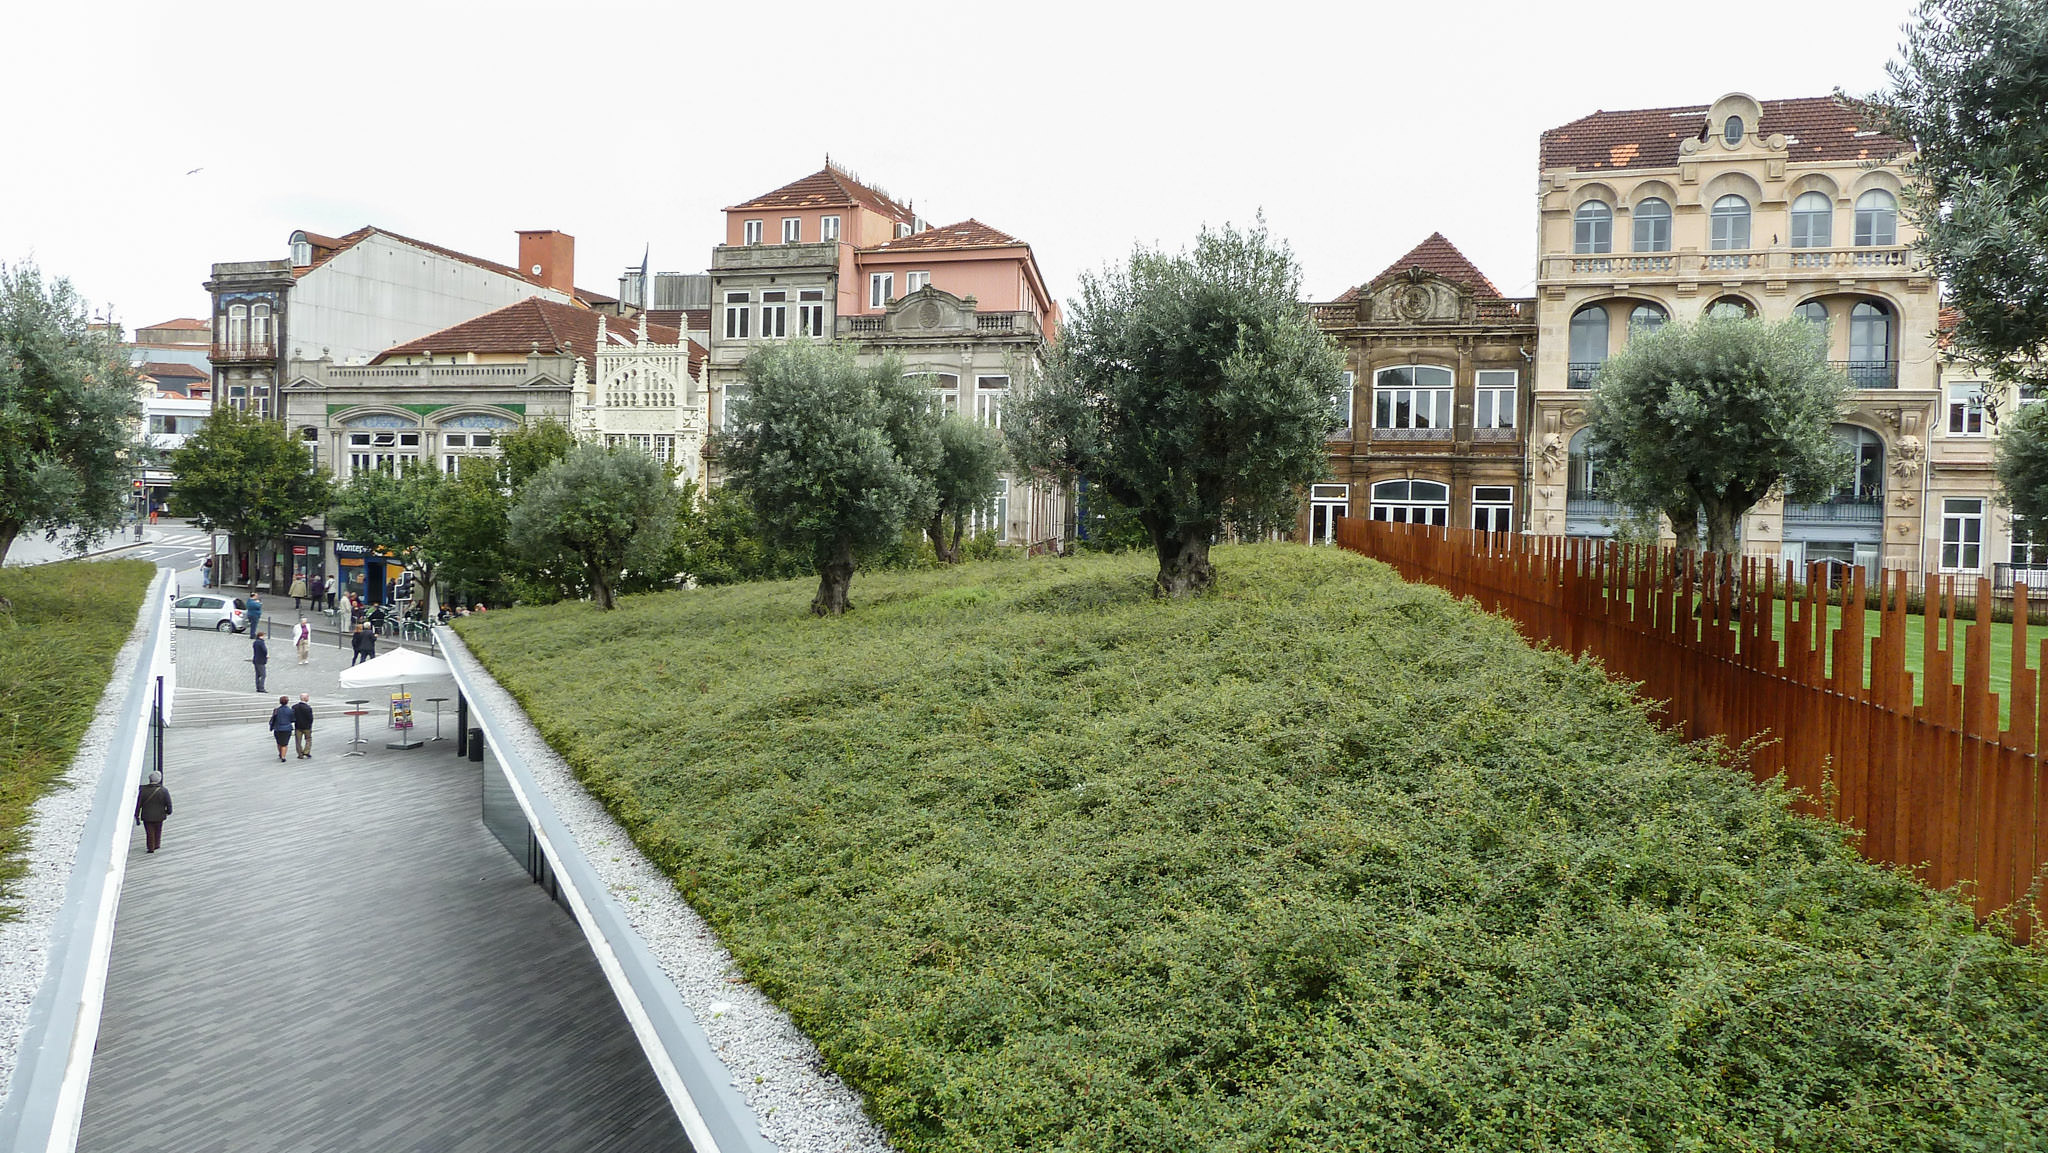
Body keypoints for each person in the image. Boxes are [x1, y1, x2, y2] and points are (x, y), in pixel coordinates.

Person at [134, 769, 172, 853]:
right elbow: (168, 803)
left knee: (149, 832)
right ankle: (157, 844)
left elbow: (138, 804)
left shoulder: (143, 791)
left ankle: (150, 847)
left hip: (147, 816)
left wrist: (137, 815)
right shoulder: (164, 790)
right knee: (158, 830)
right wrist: (168, 811)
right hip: (159, 815)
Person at [268, 695, 295, 763]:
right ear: (287, 702)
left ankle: (280, 753)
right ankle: (283, 756)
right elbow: (293, 719)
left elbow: (273, 719)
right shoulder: (290, 710)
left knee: (279, 742)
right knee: (285, 744)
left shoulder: (276, 710)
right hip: (287, 729)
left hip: (277, 728)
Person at [292, 693, 315, 759]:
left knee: (298, 741)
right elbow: (310, 718)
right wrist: (310, 725)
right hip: (307, 727)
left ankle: (300, 754)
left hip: (298, 726)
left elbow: (293, 717)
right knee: (308, 739)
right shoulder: (308, 708)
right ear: (306, 698)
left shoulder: (294, 707)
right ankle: (306, 751)